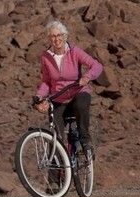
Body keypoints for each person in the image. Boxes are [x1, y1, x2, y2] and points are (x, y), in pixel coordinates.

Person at [34, 20, 103, 157]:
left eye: (59, 35)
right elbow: (47, 81)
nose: (56, 39)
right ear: (49, 38)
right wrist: (40, 96)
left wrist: (87, 77)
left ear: (64, 36)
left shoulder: (74, 52)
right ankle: (55, 175)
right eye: (52, 36)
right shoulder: (45, 57)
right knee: (56, 139)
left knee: (81, 104)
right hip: (59, 98)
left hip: (77, 92)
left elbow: (97, 66)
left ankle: (85, 140)